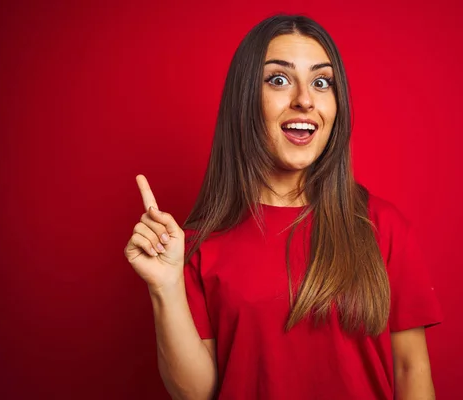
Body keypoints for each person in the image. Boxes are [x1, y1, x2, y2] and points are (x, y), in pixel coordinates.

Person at [124, 14, 443, 400]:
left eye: (321, 82)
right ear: (244, 100)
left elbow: (412, 370)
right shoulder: (197, 244)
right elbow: (196, 393)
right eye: (279, 79)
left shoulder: (382, 225)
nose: (305, 99)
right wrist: (165, 286)